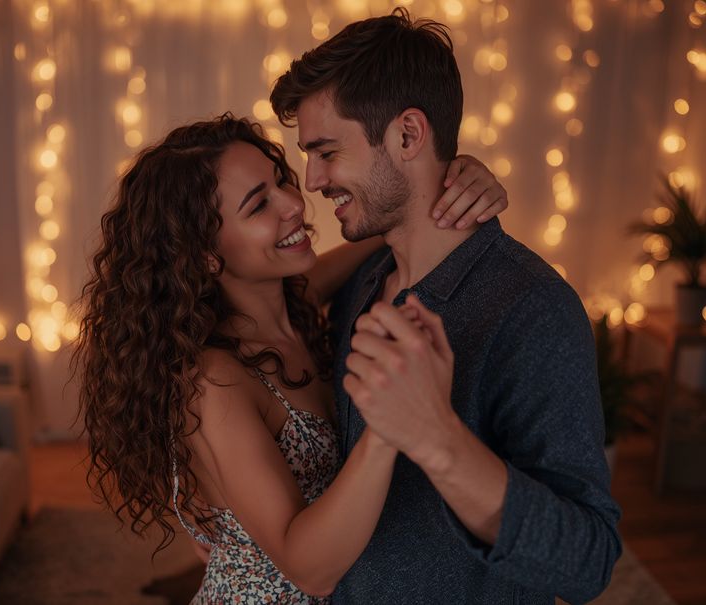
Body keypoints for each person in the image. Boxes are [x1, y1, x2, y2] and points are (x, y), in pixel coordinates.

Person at [73, 114, 509, 603]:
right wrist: (392, 421)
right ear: (206, 257)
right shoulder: (215, 381)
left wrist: (454, 179)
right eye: (259, 204)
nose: (293, 202)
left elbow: (378, 231)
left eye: (279, 180)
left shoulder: (295, 304)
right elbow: (309, 570)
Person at [269, 9, 622, 604]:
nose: (310, 179)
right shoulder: (364, 283)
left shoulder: (534, 309)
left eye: (327, 151)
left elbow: (588, 562)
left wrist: (438, 439)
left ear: (408, 134)